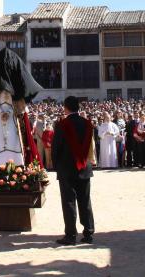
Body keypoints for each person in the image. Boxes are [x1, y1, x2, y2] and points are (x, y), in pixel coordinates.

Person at [52, 95, 95, 245]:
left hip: (66, 168)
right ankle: (88, 233)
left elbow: (56, 147)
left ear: (65, 107)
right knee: (85, 201)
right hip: (84, 166)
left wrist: (56, 165)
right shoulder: (88, 123)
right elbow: (90, 146)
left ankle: (70, 235)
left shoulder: (61, 125)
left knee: (69, 201)